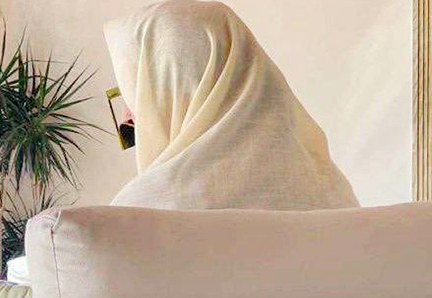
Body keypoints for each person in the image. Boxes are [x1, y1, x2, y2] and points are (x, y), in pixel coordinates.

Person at [104, 0, 360, 210]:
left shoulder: (136, 217)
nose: (128, 115)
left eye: (137, 92)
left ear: (176, 82)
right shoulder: (332, 191)